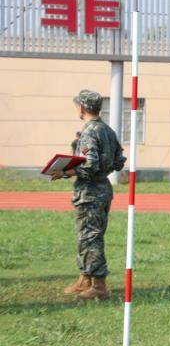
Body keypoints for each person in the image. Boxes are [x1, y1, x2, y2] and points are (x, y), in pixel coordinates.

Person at [52, 90, 126, 300]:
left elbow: (91, 164)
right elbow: (119, 159)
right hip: (103, 188)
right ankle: (85, 278)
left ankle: (99, 286)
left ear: (82, 108)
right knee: (89, 234)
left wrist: (65, 171)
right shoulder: (107, 130)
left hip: (90, 191)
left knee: (90, 236)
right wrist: (103, 167)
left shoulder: (90, 132)